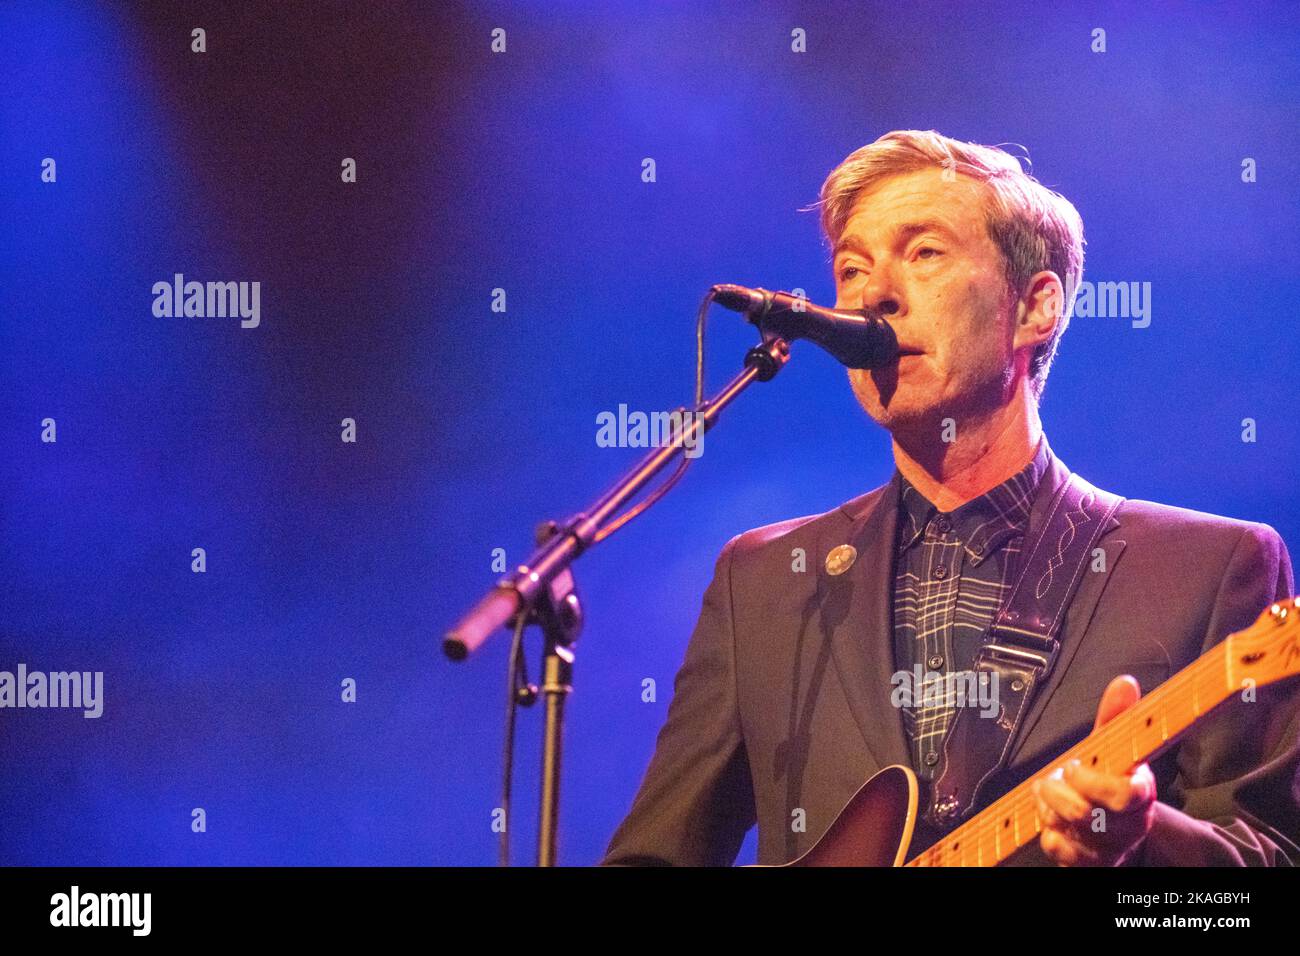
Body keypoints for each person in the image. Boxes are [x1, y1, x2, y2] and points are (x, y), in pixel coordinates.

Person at [601, 130, 1298, 867]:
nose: (873, 294)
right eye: (851, 268)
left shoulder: (1210, 567)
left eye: (925, 252)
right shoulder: (765, 581)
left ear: (1036, 308)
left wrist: (1139, 840)